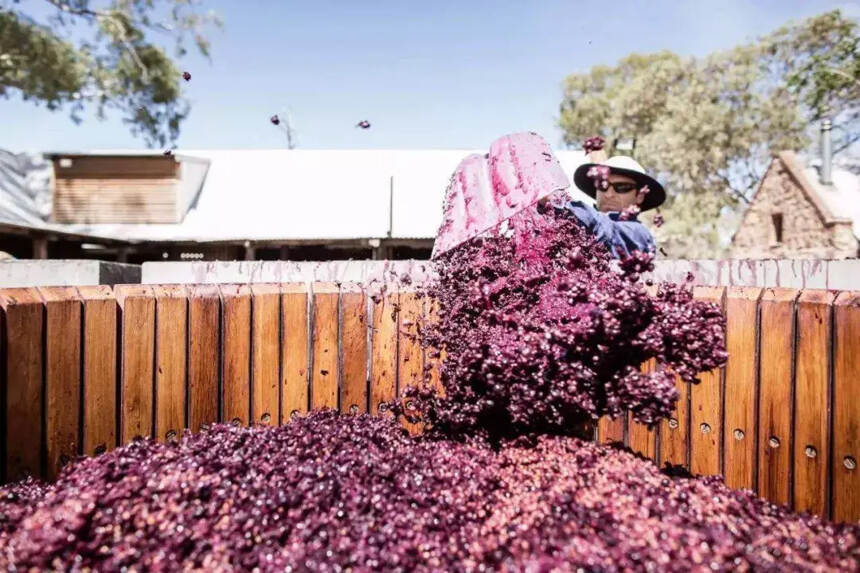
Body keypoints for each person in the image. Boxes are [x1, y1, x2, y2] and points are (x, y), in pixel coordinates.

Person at [564, 155, 666, 258]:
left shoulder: (639, 234)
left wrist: (556, 203)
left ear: (640, 196)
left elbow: (605, 230)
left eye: (621, 187)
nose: (609, 194)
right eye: (602, 185)